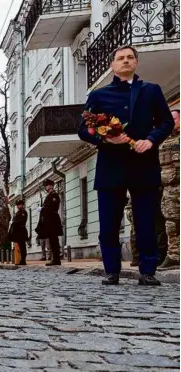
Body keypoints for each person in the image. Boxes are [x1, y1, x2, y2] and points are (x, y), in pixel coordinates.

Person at [78, 45, 174, 285]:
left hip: (143, 164)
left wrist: (151, 140)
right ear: (112, 65)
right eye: (120, 58)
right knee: (109, 223)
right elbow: (83, 130)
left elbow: (165, 122)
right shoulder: (98, 95)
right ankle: (112, 270)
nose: (125, 61)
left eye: (130, 57)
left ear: (136, 63)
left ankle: (147, 270)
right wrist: (105, 138)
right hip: (111, 167)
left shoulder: (151, 91)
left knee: (145, 221)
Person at [158, 109, 179, 268]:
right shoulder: (163, 141)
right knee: (171, 223)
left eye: (174, 119)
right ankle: (174, 256)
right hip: (169, 188)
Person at [36, 179, 63, 266]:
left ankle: (56, 260)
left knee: (54, 241)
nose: (46, 187)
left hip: (53, 221)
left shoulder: (54, 195)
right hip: (49, 221)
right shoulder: (49, 196)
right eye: (45, 185)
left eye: (47, 185)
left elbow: (53, 207)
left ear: (51, 185)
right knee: (52, 241)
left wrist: (42, 209)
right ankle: (55, 259)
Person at [9, 199, 29, 265]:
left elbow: (21, 221)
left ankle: (23, 260)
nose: (18, 206)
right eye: (17, 205)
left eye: (19, 205)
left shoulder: (23, 212)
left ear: (22, 205)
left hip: (21, 230)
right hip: (17, 231)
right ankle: (21, 259)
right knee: (20, 246)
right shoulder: (17, 213)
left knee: (22, 246)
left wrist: (14, 222)